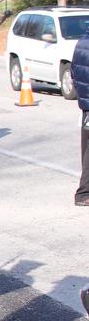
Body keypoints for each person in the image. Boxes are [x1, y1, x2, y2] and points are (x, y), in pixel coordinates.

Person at [70, 25, 89, 206]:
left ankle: (84, 192)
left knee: (87, 148)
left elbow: (73, 72)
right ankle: (84, 193)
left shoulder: (81, 42)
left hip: (86, 104)